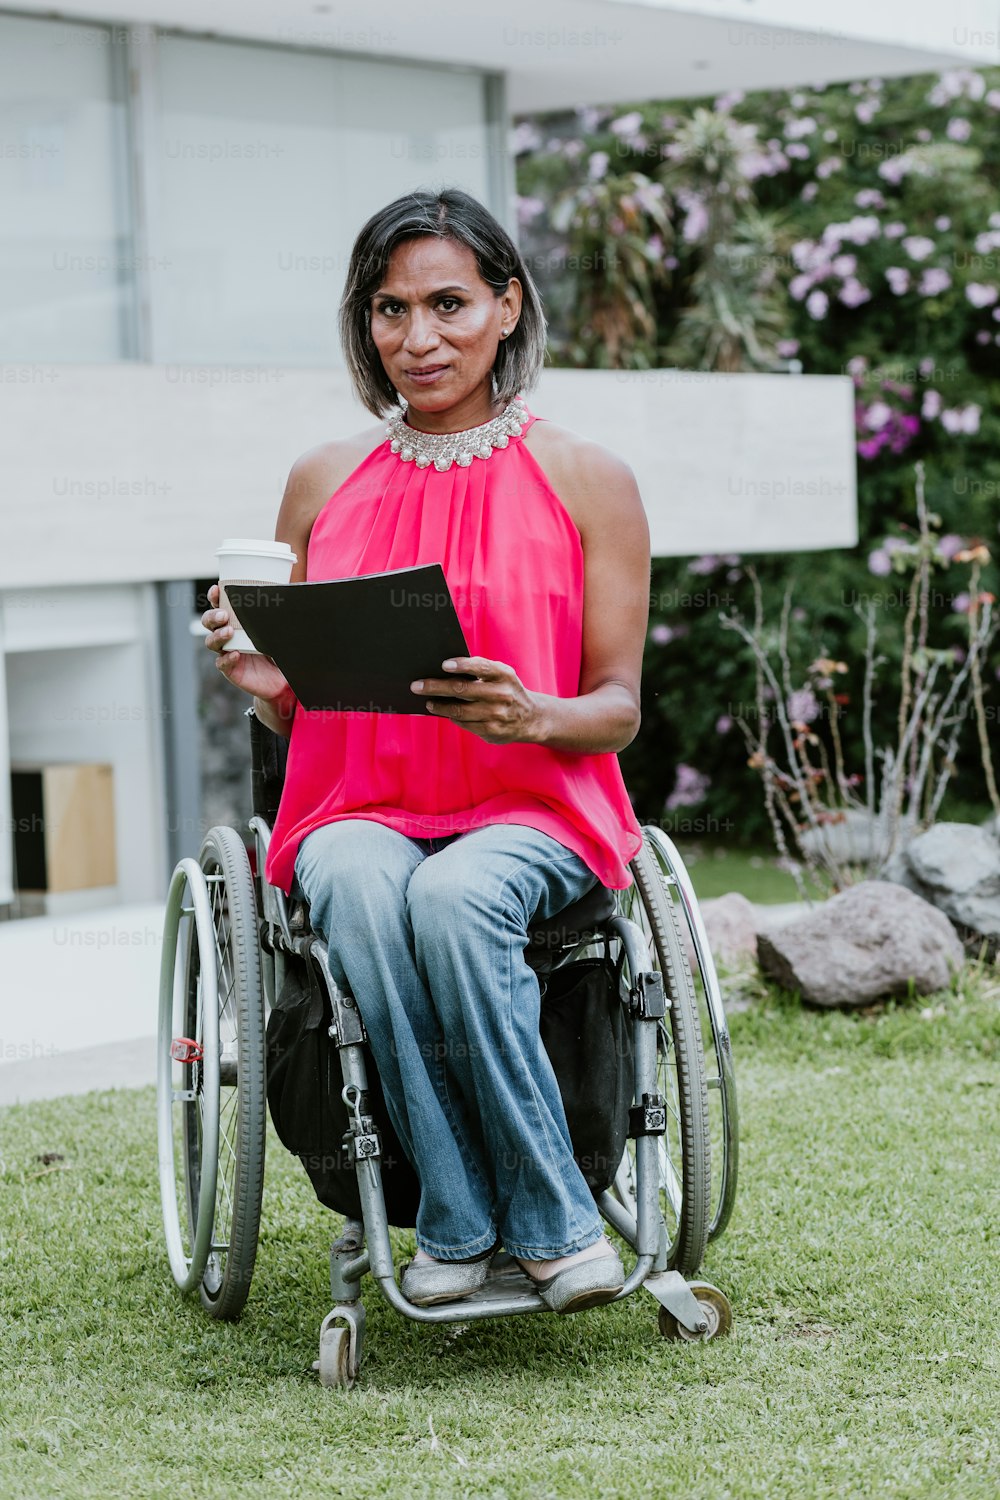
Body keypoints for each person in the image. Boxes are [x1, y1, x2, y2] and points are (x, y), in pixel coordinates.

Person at [203, 188, 650, 1314]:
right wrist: (266, 687)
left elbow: (619, 706)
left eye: (448, 304)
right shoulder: (322, 482)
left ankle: (546, 1218)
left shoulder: (588, 478)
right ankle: (453, 1212)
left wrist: (533, 717)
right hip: (357, 804)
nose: (417, 339)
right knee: (353, 883)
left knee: (455, 900)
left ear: (506, 307)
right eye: (389, 310)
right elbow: (297, 713)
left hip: (532, 807)